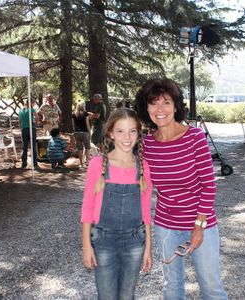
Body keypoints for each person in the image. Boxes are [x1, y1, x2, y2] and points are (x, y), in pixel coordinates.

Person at [135, 78, 228, 300]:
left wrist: (198, 226)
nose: (160, 109)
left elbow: (209, 186)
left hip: (201, 224)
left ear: (175, 106)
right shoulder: (146, 145)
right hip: (166, 226)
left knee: (211, 288)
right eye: (153, 103)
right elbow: (139, 184)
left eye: (166, 102)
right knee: (171, 288)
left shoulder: (194, 137)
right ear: (146, 108)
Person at [81, 108, 152, 300]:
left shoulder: (143, 166)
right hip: (103, 241)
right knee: (107, 295)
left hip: (135, 242)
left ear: (139, 133)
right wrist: (86, 245)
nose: (127, 137)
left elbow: (146, 210)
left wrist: (148, 248)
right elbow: (87, 207)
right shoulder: (98, 164)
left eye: (132, 131)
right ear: (111, 133)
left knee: (127, 295)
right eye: (120, 131)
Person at [18, 99, 39, 169]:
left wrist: (22, 128)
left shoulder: (20, 110)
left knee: (24, 147)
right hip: (31, 129)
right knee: (33, 146)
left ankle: (24, 163)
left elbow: (20, 121)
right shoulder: (31, 109)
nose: (33, 104)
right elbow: (37, 117)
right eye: (33, 103)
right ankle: (34, 163)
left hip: (24, 129)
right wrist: (36, 122)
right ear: (30, 103)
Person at [72, 101, 93, 167]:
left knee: (79, 149)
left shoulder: (74, 114)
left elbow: (73, 125)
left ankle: (81, 163)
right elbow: (87, 125)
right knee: (87, 148)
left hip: (76, 133)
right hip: (85, 133)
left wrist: (74, 131)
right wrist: (90, 133)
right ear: (83, 106)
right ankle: (87, 162)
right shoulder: (85, 114)